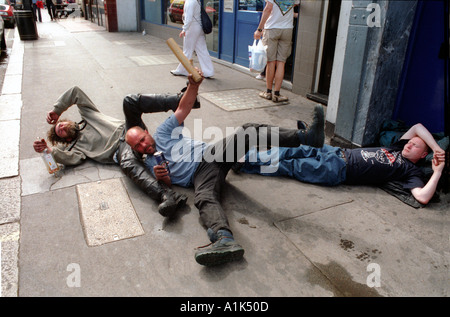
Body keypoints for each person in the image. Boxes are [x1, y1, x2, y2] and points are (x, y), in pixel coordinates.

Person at [125, 72, 326, 266]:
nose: (144, 146)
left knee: (248, 131)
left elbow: (183, 108)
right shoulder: (149, 163)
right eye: (138, 147)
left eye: (142, 140)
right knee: (204, 198)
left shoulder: (162, 133)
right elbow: (169, 186)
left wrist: (193, 86)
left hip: (211, 154)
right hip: (200, 176)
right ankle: (224, 239)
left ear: (146, 132)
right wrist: (164, 178)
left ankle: (306, 137)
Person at [32, 85, 199, 217]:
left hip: (129, 131)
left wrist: (57, 110)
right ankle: (167, 195)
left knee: (129, 101)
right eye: (59, 131)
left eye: (61, 123)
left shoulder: (88, 115)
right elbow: (67, 158)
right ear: (65, 139)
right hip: (121, 149)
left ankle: (181, 99)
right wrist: (49, 150)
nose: (60, 126)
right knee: (127, 163)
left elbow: (75, 92)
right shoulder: (76, 148)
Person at [235, 124, 446, 206]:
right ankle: (247, 156)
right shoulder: (397, 148)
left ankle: (245, 164)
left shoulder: (411, 171)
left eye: (415, 145)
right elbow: (418, 127)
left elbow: (423, 197)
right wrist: (438, 148)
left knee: (290, 166)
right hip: (336, 151)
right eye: (409, 141)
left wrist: (437, 171)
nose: (409, 143)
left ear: (423, 154)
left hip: (337, 170)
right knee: (292, 150)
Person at [254, 0, 300, 103]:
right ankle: (277, 94)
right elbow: (296, 4)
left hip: (272, 29)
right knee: (281, 62)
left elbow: (268, 9)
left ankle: (268, 92)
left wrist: (259, 29)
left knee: (271, 61)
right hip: (287, 30)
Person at [170, 0, 214, 78]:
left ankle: (183, 70)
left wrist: (184, 29)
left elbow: (189, 18)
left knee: (187, 50)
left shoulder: (190, 1)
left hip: (192, 28)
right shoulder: (196, 1)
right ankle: (208, 71)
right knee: (202, 50)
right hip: (199, 27)